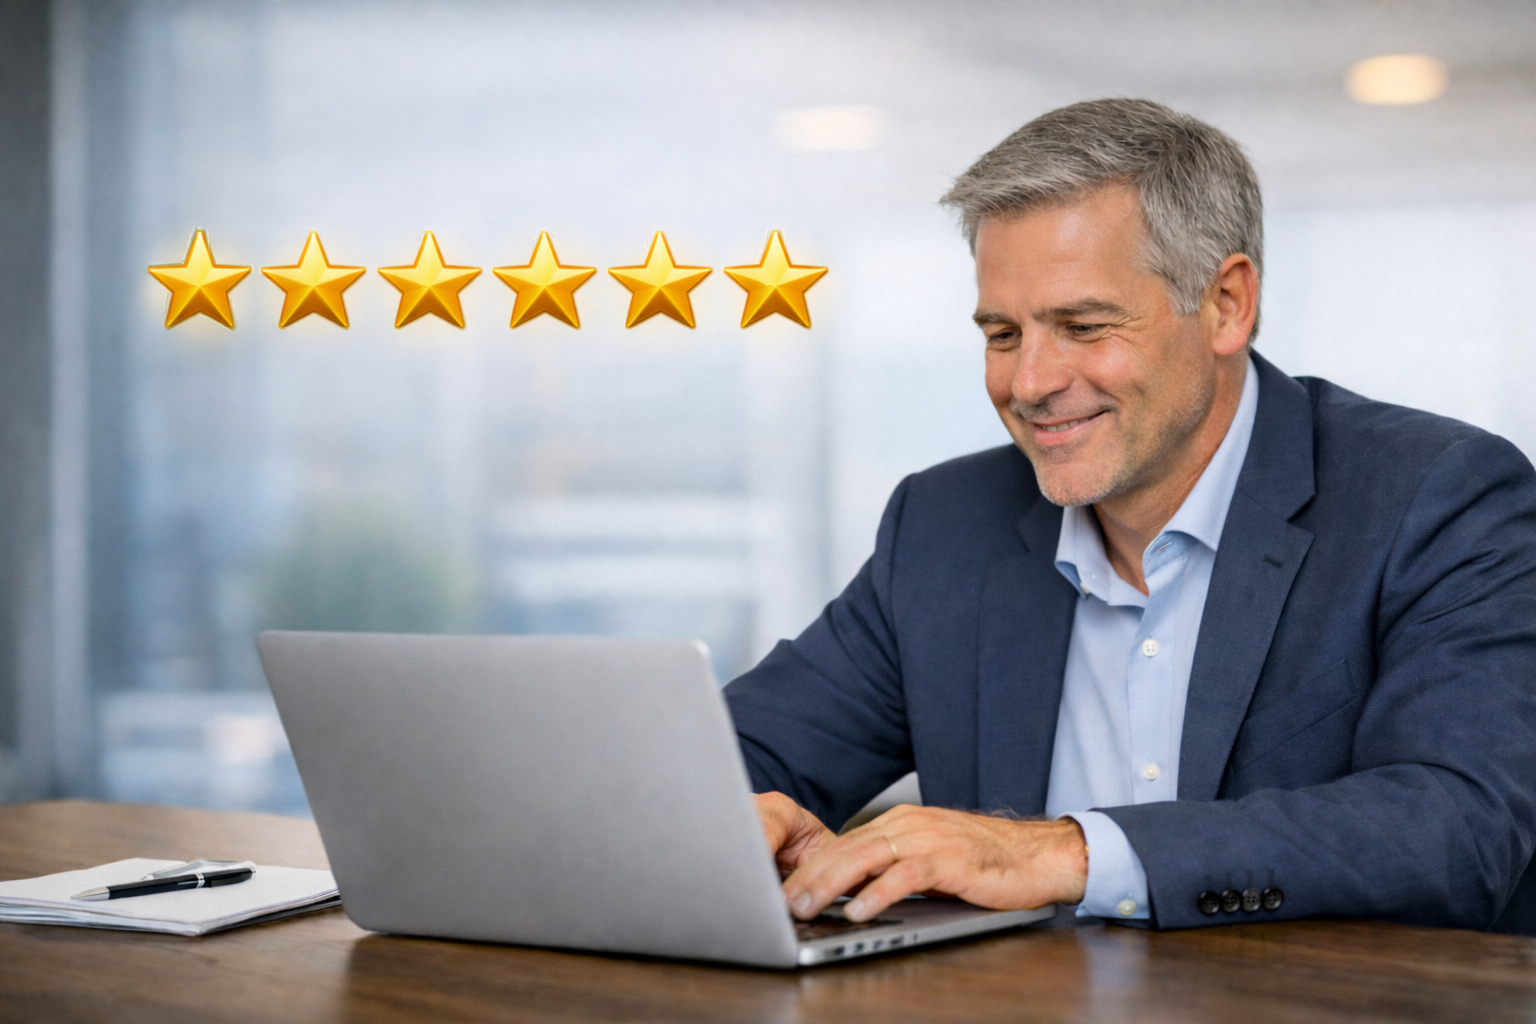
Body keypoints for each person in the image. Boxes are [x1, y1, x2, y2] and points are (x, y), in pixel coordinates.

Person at [723, 98, 1536, 933]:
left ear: (1226, 304)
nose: (1029, 382)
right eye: (1002, 334)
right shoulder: (941, 525)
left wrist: (1059, 854)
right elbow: (732, 761)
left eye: (1082, 326)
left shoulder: (1436, 494)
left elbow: (1459, 829)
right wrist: (733, 817)